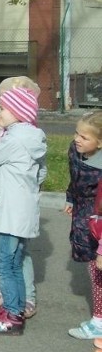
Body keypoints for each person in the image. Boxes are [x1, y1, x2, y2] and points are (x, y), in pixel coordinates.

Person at [0, 87, 47, 335]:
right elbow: (41, 174)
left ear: (17, 111)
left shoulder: (15, 140)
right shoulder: (32, 137)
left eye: (3, 108)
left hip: (10, 214)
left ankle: (12, 315)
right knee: (14, 263)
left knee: (5, 265)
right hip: (20, 210)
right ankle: (12, 309)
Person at [64, 111, 102, 340]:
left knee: (98, 271)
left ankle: (99, 321)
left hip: (97, 221)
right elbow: (74, 177)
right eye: (77, 133)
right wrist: (71, 197)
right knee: (94, 268)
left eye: (84, 137)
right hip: (84, 216)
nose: (78, 139)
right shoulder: (76, 152)